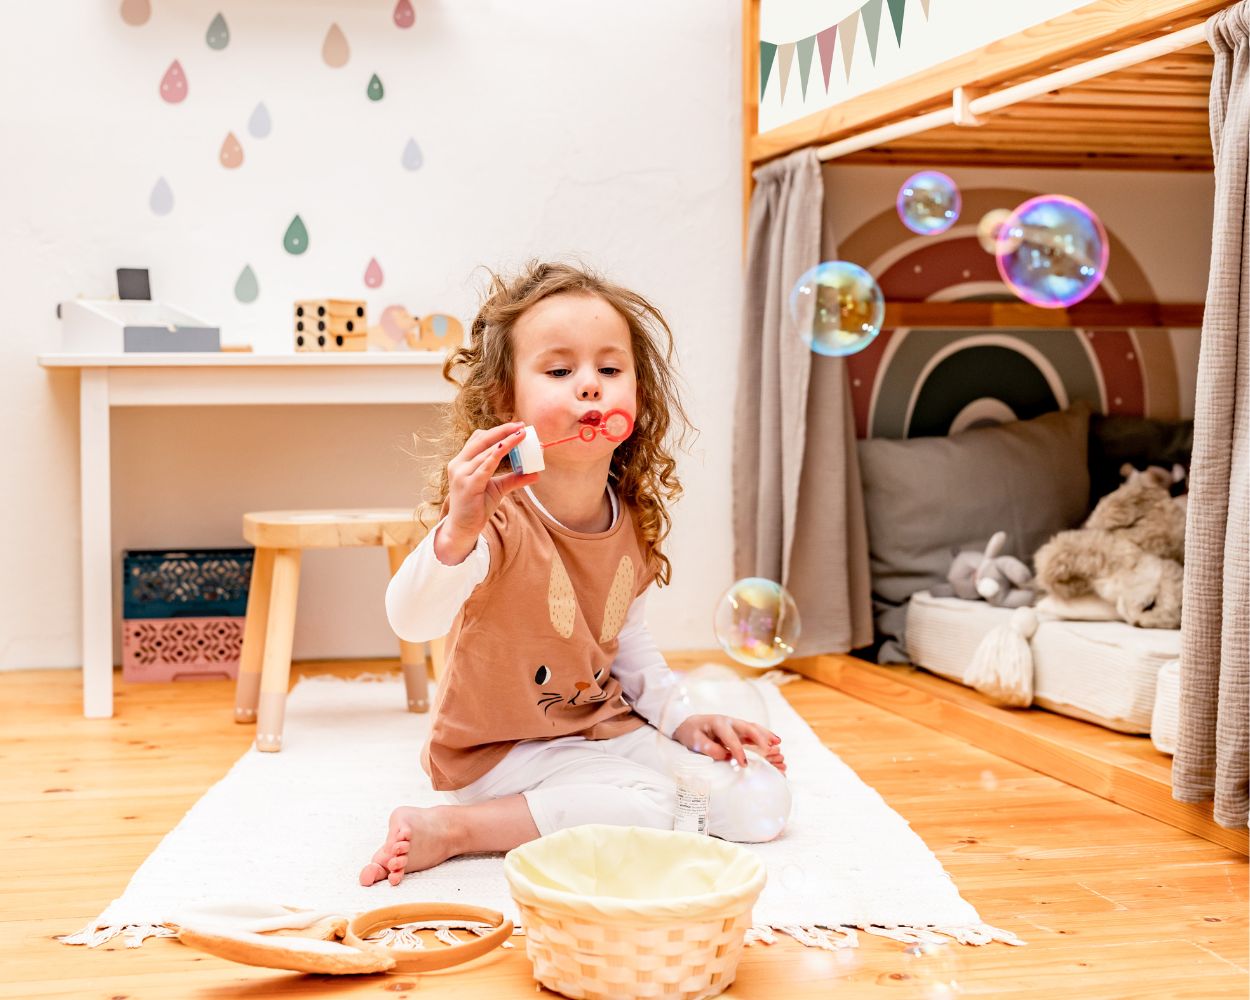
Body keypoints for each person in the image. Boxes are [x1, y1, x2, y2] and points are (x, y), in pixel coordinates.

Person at [360, 261, 790, 887]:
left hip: (597, 729)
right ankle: (453, 829)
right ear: (508, 402)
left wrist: (683, 723)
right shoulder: (494, 518)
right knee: (652, 800)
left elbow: (629, 642)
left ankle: (612, 797)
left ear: (637, 399)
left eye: (610, 370)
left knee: (762, 800)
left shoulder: (631, 517)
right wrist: (458, 529)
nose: (590, 385)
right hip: (499, 753)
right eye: (560, 371)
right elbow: (412, 618)